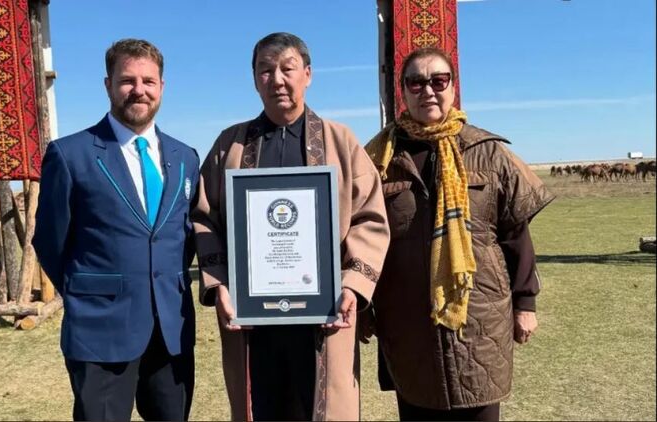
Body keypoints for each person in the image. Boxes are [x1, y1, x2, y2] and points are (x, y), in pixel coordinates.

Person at [191, 32, 390, 421]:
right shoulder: (229, 146)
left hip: (324, 317)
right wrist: (220, 286)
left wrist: (352, 285)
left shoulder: (340, 141)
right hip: (252, 323)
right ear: (254, 79)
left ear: (308, 74)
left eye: (288, 68)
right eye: (266, 70)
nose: (277, 80)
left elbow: (370, 217)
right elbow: (204, 217)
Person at [361, 47, 554, 421]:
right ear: (402, 91)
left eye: (438, 80)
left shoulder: (488, 152)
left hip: (480, 317)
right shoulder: (377, 159)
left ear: (453, 87)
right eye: (416, 83)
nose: (427, 91)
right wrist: (364, 305)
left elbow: (515, 235)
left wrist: (526, 303)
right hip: (406, 319)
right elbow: (363, 238)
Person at [32, 38, 199, 421]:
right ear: (108, 85)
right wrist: (89, 291)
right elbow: (50, 241)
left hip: (171, 330)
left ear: (162, 87)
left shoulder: (185, 158)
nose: (139, 90)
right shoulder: (70, 155)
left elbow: (183, 237)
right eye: (127, 80)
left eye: (148, 81)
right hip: (100, 329)